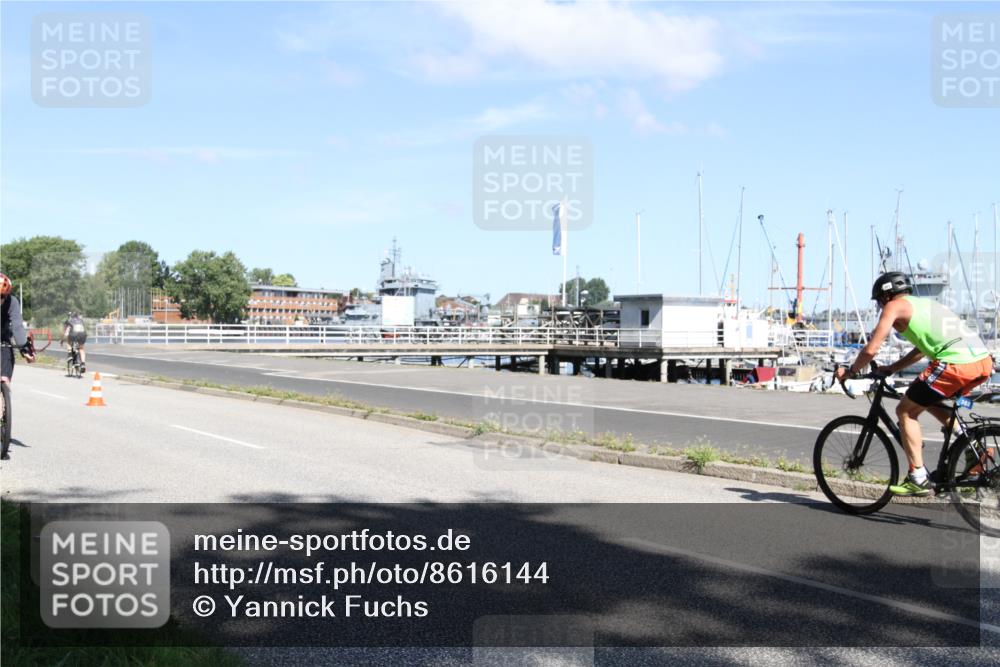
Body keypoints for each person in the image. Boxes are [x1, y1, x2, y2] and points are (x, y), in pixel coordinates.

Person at [836, 271, 994, 496]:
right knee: (924, 399)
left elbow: (871, 349)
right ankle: (971, 446)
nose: (880, 307)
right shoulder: (925, 305)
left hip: (955, 363)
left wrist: (851, 371)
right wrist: (892, 368)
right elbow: (921, 349)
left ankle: (918, 478)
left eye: (879, 301)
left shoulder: (894, 306)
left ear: (886, 295)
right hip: (982, 362)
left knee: (905, 410)